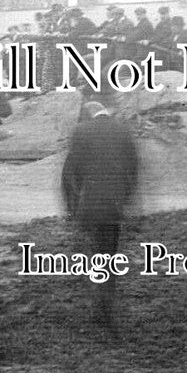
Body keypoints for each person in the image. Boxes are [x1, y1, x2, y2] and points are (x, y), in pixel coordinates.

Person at [61, 101, 139, 329]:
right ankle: (106, 303)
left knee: (92, 253)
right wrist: (125, 199)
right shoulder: (122, 130)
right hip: (114, 206)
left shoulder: (81, 131)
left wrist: (72, 207)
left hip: (89, 205)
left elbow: (71, 173)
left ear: (86, 115)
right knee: (109, 253)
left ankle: (98, 304)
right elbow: (133, 169)